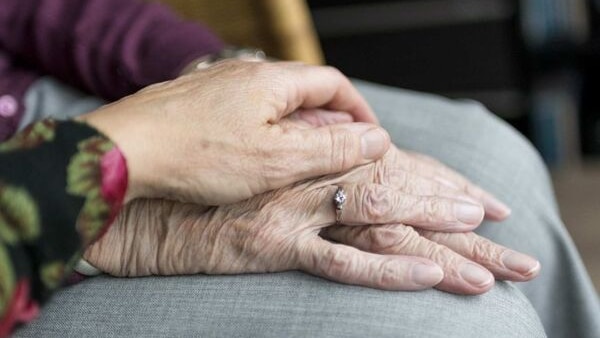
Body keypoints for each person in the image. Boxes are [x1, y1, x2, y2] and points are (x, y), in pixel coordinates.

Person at [0, 0, 598, 337]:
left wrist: (212, 75)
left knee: (494, 161)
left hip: (48, 100)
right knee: (458, 322)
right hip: (23, 239)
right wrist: (118, 220)